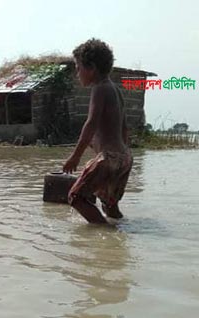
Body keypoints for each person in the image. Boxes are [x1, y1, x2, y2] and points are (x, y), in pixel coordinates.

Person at [63, 39, 133, 224]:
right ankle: (121, 231)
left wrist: (75, 156)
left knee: (76, 197)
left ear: (91, 68)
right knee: (109, 204)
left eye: (78, 68)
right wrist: (121, 156)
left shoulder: (100, 88)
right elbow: (124, 128)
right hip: (125, 157)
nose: (77, 74)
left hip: (109, 158)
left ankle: (108, 238)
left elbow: (91, 123)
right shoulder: (115, 90)